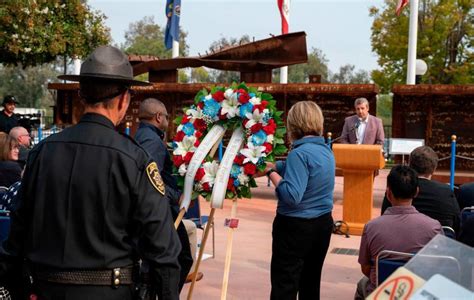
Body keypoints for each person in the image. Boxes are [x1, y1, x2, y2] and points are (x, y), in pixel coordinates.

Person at [0, 45, 181, 300]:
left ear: (81, 95)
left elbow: (16, 235)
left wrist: (22, 288)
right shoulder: (134, 159)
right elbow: (163, 250)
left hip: (44, 290)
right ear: (124, 99)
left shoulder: (42, 153)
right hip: (110, 292)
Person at [263, 101, 335, 300]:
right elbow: (305, 172)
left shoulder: (299, 153)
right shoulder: (326, 150)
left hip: (295, 227)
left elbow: (291, 195)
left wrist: (270, 172)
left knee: (284, 284)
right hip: (322, 224)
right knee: (310, 284)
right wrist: (278, 166)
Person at [134, 98, 199, 292]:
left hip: (156, 208)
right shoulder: (152, 141)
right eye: (167, 117)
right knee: (180, 258)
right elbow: (149, 176)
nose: (168, 121)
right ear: (158, 117)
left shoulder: (143, 135)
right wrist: (175, 196)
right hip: (160, 210)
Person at [355, 165, 442, 299]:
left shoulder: (371, 227)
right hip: (419, 293)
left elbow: (365, 268)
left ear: (388, 193)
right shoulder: (434, 227)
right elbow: (439, 266)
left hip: (383, 293)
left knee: (363, 284)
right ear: (416, 192)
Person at [381, 146, 460, 232]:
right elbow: (457, 222)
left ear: (409, 165)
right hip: (438, 241)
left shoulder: (398, 187)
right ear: (434, 169)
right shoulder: (446, 192)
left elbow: (385, 216)